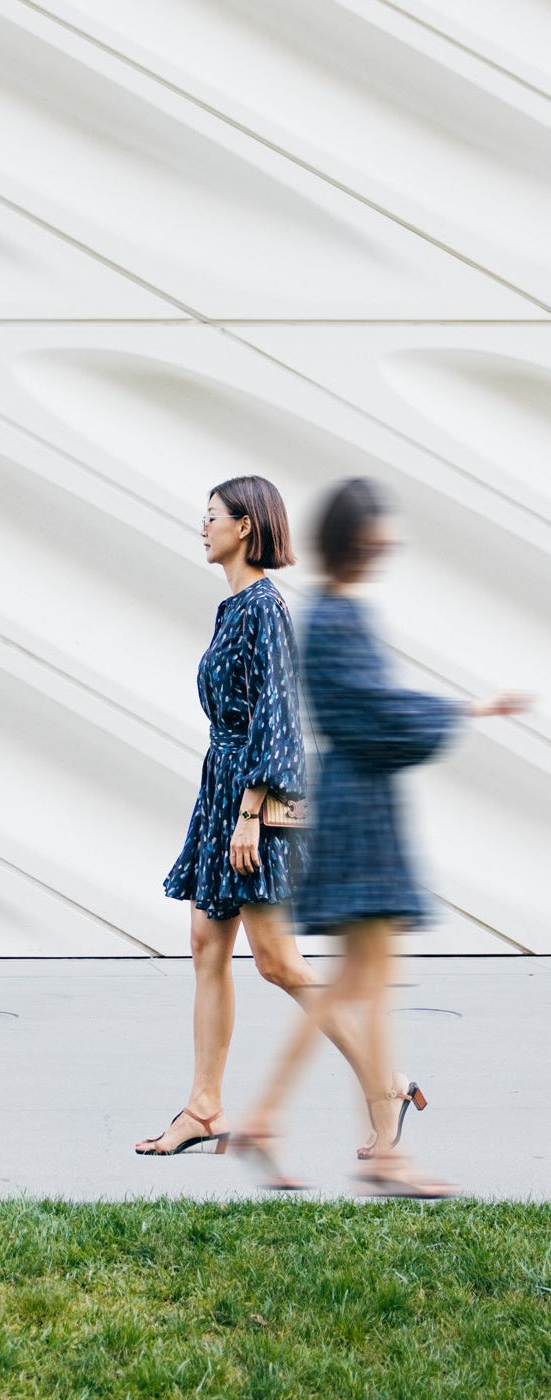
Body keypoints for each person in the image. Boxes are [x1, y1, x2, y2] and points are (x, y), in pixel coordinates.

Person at [233, 477, 530, 1196]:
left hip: (358, 805)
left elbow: (378, 709)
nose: (390, 541)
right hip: (360, 811)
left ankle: (271, 1121)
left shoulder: (336, 615)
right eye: (381, 531)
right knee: (365, 980)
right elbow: (376, 713)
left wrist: (465, 710)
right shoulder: (338, 621)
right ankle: (337, 1140)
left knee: (360, 980)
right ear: (359, 540)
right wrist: (463, 710)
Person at [136, 475, 376, 1161]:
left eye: (210, 516)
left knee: (277, 962)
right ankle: (202, 1107)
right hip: (226, 791)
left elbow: (277, 720)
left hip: (255, 801)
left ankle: (383, 1084)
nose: (201, 526)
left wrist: (248, 815)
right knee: (206, 948)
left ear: (244, 527)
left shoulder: (263, 608)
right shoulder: (233, 606)